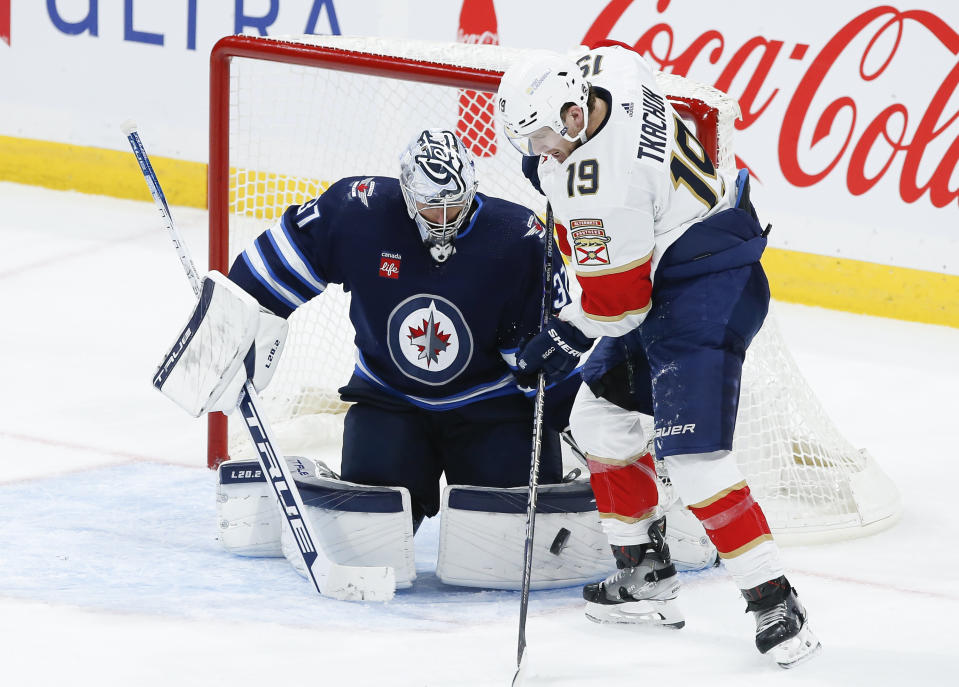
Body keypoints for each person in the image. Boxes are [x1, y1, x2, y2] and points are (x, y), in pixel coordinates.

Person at [497, 44, 821, 668]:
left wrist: (562, 335)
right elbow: (622, 54)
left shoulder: (596, 189)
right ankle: (645, 580)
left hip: (702, 293)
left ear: (570, 111)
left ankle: (776, 603)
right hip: (696, 254)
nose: (542, 152)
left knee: (696, 460)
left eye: (544, 137)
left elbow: (617, 309)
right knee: (599, 420)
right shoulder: (609, 74)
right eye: (528, 140)